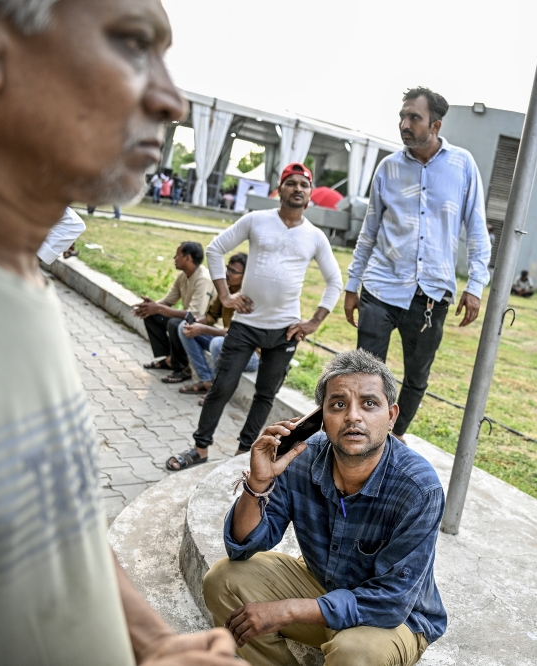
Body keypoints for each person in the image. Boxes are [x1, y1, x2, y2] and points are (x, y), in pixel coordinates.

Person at [0, 0, 239, 663]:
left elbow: (55, 520)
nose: (172, 100)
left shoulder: (17, 279)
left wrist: (154, 642)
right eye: (131, 43)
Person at [201, 349, 446, 665]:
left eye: (369, 404)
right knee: (222, 581)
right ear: (322, 419)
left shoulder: (418, 488)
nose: (353, 416)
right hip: (323, 586)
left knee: (355, 653)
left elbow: (391, 601)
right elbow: (244, 547)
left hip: (396, 620)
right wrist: (257, 485)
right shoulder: (302, 457)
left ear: (391, 416)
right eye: (339, 405)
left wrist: (288, 609)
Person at [166, 162, 343, 470]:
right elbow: (215, 249)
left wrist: (313, 322)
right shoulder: (257, 220)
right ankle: (200, 449)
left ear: (310, 194)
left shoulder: (315, 236)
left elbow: (335, 281)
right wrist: (224, 295)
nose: (297, 189)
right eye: (292, 183)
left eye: (303, 184)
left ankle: (243, 454)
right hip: (246, 325)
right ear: (280, 189)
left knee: (265, 395)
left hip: (285, 331)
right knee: (222, 387)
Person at [344, 87, 491, 440]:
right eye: (402, 116)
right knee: (365, 374)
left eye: (414, 118)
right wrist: (352, 285)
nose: (404, 124)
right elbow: (369, 231)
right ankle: (360, 438)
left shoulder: (462, 165)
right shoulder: (388, 168)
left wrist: (474, 286)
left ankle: (393, 439)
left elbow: (477, 230)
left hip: (430, 297)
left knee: (417, 377)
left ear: (435, 124)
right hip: (380, 288)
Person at [177, 252, 259, 396]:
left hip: (250, 355)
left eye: (233, 271)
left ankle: (217, 392)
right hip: (229, 344)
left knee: (218, 343)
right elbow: (211, 316)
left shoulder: (249, 298)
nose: (227, 273)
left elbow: (235, 333)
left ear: (246, 276)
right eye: (228, 268)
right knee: (184, 327)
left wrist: (202, 329)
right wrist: (196, 323)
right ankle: (206, 380)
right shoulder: (226, 291)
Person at [134, 241, 213, 383]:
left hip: (205, 326)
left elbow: (194, 315)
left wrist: (158, 308)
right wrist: (149, 307)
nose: (174, 258)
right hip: (189, 319)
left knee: (175, 323)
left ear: (188, 258)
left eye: (177, 255)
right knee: (152, 317)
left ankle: (182, 367)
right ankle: (170, 359)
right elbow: (168, 301)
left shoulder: (203, 279)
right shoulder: (183, 276)